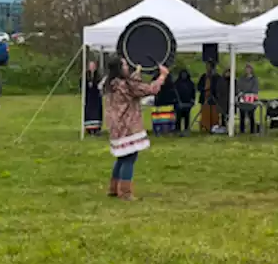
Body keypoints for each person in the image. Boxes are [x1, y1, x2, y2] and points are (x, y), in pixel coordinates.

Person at [103, 54, 168, 202]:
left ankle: (113, 188)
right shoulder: (126, 85)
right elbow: (150, 89)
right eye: (125, 65)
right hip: (128, 125)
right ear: (119, 68)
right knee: (130, 157)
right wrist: (162, 76)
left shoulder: (111, 83)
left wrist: (137, 73)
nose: (127, 67)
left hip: (116, 125)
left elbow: (133, 83)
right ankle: (125, 193)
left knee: (121, 157)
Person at [197, 61, 223, 133]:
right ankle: (205, 127)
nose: (207, 68)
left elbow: (219, 87)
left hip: (214, 99)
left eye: (209, 66)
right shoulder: (204, 76)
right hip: (204, 98)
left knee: (214, 114)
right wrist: (204, 89)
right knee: (205, 113)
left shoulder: (217, 77)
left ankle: (215, 127)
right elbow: (199, 87)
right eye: (207, 66)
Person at [236, 63, 260, 134]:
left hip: (251, 99)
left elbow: (255, 89)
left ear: (251, 70)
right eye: (246, 68)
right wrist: (241, 93)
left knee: (251, 114)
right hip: (242, 99)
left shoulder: (254, 79)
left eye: (249, 68)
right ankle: (242, 130)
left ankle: (252, 130)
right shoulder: (241, 79)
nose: (247, 70)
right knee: (242, 115)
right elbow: (239, 88)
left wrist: (249, 94)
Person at [83, 60, 104, 136]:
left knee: (97, 112)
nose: (92, 68)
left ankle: (97, 129)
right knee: (89, 112)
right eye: (90, 66)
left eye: (93, 66)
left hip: (96, 96)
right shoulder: (85, 75)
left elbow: (100, 84)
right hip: (89, 97)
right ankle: (89, 129)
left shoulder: (98, 75)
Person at [173, 69, 196, 136]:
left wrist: (192, 100)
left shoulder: (190, 83)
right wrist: (176, 102)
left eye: (185, 74)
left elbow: (193, 92)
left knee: (187, 117)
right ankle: (178, 130)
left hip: (187, 103)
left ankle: (186, 129)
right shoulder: (177, 83)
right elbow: (174, 93)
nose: (184, 76)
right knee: (178, 117)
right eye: (182, 74)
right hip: (179, 103)